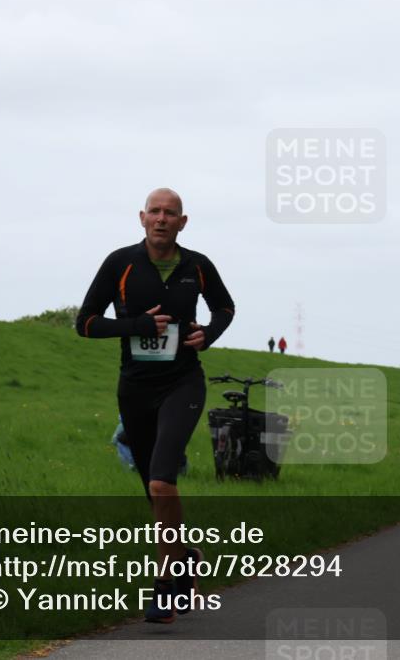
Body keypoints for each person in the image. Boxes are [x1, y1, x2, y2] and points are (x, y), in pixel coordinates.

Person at [76, 188, 235, 623]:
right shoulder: (120, 263)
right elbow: (85, 323)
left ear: (183, 222)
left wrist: (211, 332)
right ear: (142, 218)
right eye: (155, 212)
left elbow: (224, 306)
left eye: (171, 213)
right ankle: (186, 558)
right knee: (153, 490)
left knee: (163, 483)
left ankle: (163, 587)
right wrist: (137, 325)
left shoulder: (196, 265)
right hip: (135, 388)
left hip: (183, 383)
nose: (162, 219)